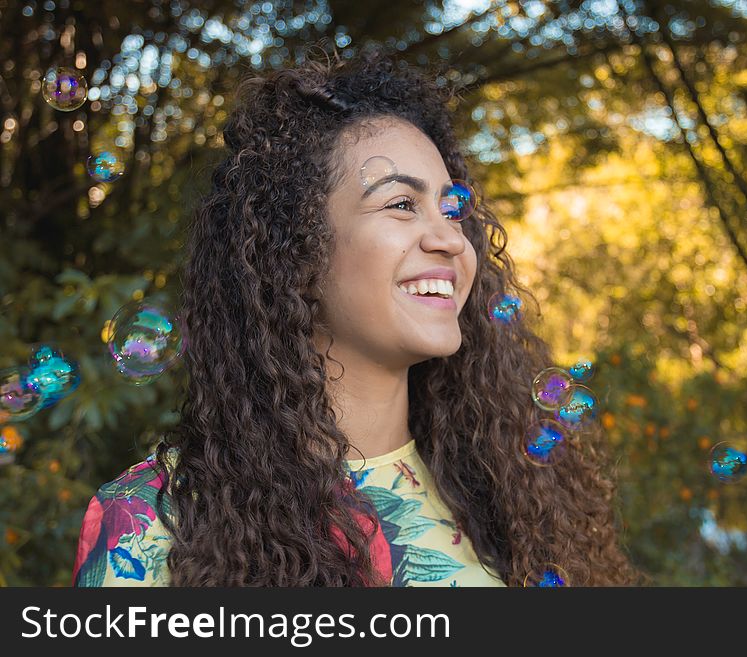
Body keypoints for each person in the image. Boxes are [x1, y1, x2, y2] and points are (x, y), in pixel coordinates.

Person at [72, 46, 642, 587]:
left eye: (453, 208)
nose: (450, 238)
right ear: (294, 252)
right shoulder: (149, 520)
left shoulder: (517, 491)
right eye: (400, 204)